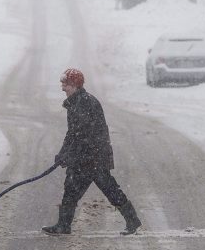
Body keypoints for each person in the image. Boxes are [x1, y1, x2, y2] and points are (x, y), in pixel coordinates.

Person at [42, 67, 142, 236]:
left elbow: (82, 134)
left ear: (75, 85)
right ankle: (64, 225)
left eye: (65, 85)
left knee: (106, 188)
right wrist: (63, 153)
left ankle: (131, 220)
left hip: (93, 157)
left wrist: (68, 155)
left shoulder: (85, 103)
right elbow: (72, 133)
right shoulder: (76, 102)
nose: (62, 88)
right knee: (76, 188)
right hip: (86, 157)